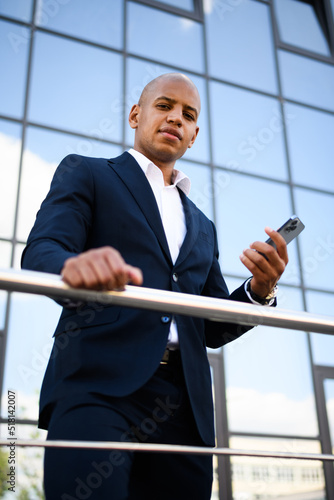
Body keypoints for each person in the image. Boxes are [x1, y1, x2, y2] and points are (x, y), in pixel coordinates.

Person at [21, 73, 288, 500]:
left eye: (188, 115)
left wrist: (260, 288)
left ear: (195, 135)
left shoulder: (204, 225)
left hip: (185, 408)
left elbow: (213, 325)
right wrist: (73, 265)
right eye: (164, 106)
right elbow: (41, 251)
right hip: (97, 385)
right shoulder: (87, 172)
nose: (175, 118)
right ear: (135, 115)